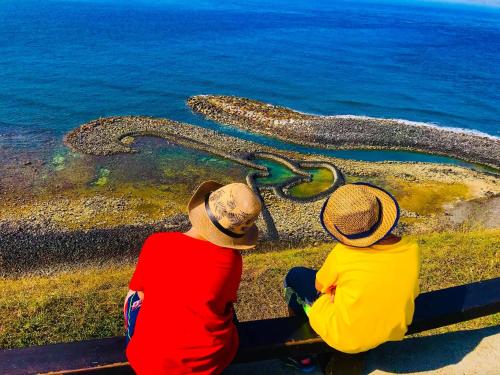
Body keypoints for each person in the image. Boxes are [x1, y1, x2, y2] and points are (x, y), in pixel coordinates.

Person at [124, 181, 262, 374]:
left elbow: (139, 292)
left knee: (133, 295)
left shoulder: (157, 243)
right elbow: (225, 301)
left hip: (148, 362)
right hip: (210, 361)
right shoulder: (232, 261)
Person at [284, 182, 420, 371]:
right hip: (393, 329)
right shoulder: (411, 249)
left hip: (345, 337)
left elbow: (319, 285)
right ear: (381, 216)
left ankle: (303, 354)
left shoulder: (343, 254)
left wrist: (332, 293)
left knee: (294, 277)